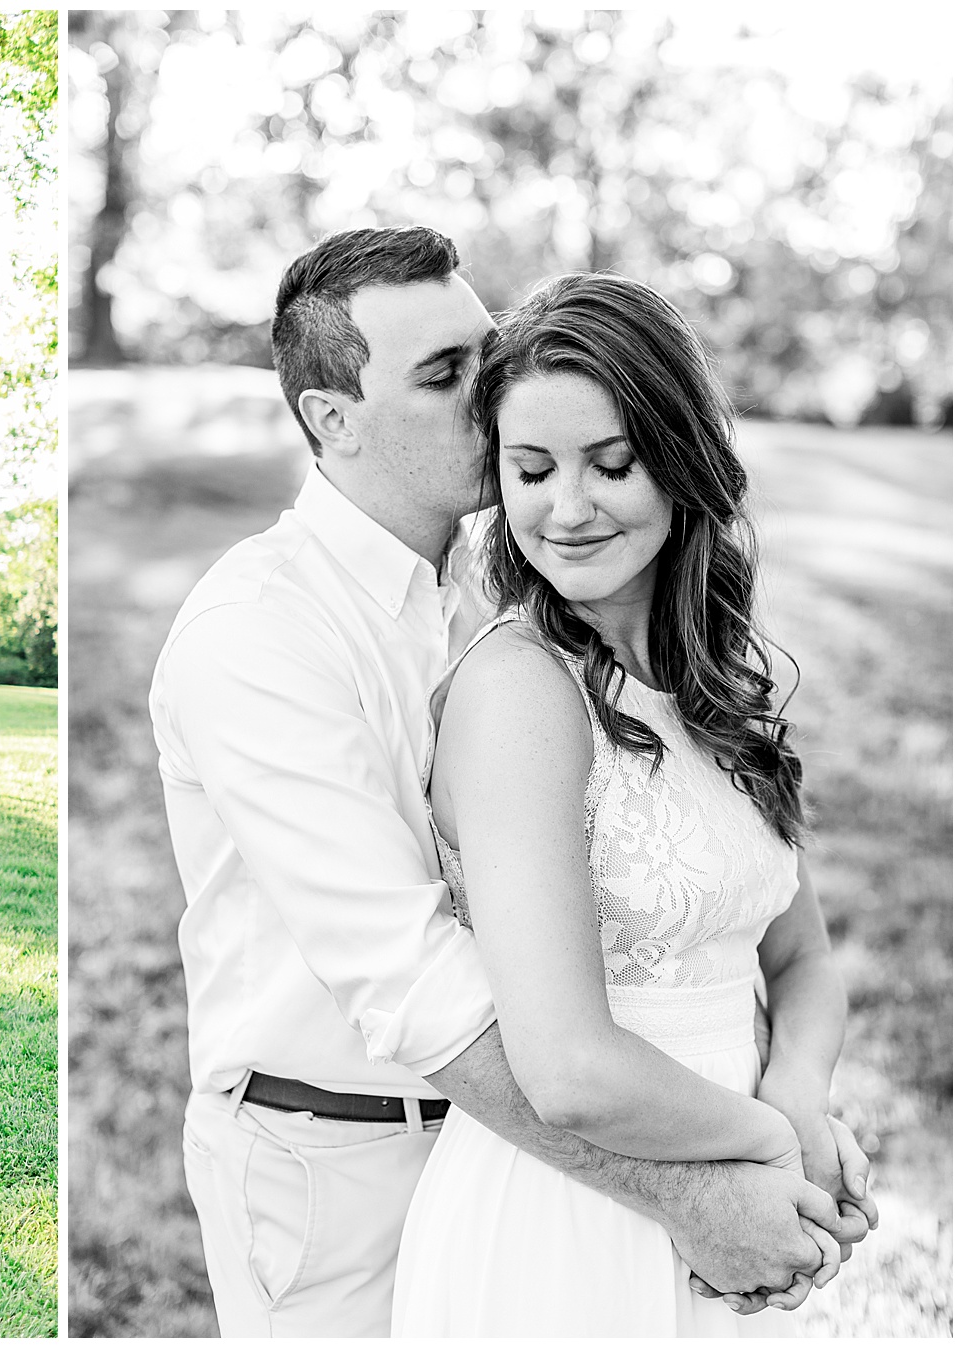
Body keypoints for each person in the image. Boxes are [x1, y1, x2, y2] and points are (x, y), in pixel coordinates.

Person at [148, 226, 875, 1336]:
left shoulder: (503, 594)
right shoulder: (259, 634)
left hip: (524, 1140)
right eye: (447, 377)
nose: (492, 403)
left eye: (485, 360)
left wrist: (783, 1104)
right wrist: (714, 1180)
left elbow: (780, 938)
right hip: (335, 1153)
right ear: (328, 418)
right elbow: (415, 982)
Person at [392, 272, 861, 1334]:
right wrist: (771, 1143)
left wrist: (798, 1093)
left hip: (747, 1187)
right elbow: (566, 1067)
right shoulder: (520, 693)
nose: (568, 508)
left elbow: (801, 958)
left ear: (682, 457)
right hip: (571, 1225)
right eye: (532, 469)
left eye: (612, 464)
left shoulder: (715, 681)